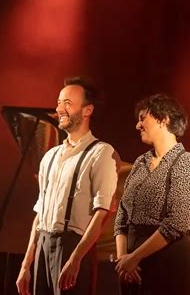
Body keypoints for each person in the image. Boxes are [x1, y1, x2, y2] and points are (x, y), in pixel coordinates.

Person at [16, 77, 120, 295]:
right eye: (59, 102)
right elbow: (40, 215)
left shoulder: (101, 153)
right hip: (44, 243)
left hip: (74, 245)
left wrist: (75, 259)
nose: (59, 109)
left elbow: (101, 214)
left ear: (87, 110)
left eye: (67, 103)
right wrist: (27, 264)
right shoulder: (50, 156)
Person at [114, 94, 190, 295]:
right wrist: (123, 260)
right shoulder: (140, 162)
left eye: (143, 118)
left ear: (164, 119)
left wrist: (134, 257)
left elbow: (176, 223)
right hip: (131, 266)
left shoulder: (185, 163)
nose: (138, 125)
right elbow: (122, 216)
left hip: (166, 262)